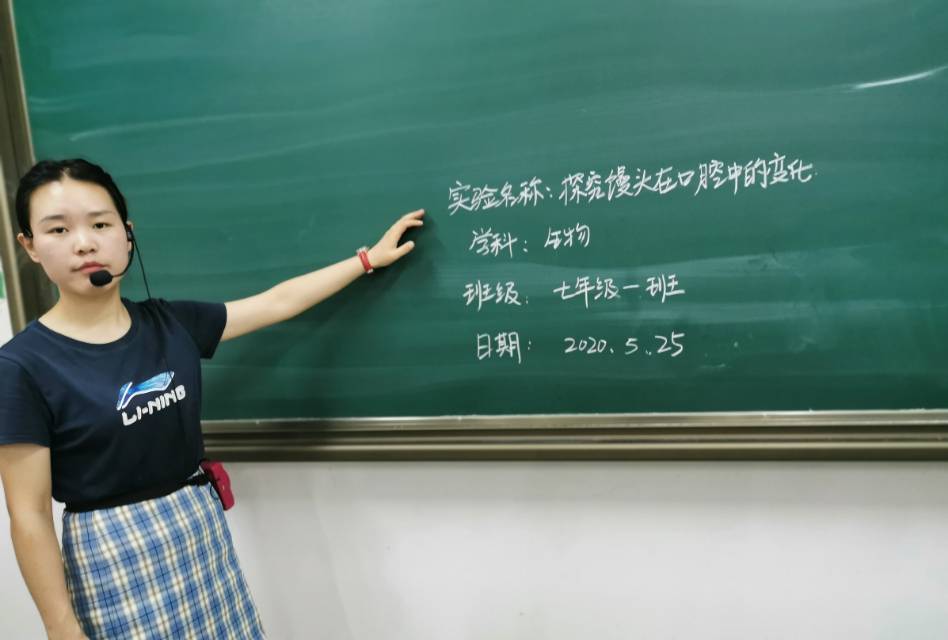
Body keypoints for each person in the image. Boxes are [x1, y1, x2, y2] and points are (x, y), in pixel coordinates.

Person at [0, 158, 425, 639]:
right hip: (113, 556)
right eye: (58, 230)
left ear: (127, 233)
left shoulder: (170, 323)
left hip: (199, 531)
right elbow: (28, 513)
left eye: (100, 224)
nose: (84, 243)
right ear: (29, 246)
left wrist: (367, 260)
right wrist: (60, 627)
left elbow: (276, 302)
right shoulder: (20, 366)